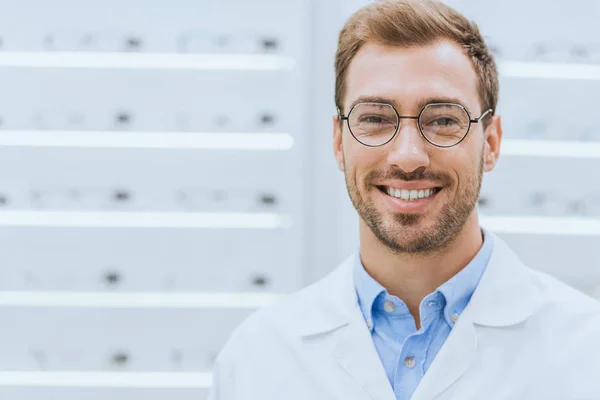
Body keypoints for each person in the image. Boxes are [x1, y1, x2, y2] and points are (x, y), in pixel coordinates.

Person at [208, 1, 600, 399]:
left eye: (444, 120)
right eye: (376, 118)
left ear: (492, 142)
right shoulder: (257, 360)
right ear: (338, 142)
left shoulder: (586, 352)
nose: (408, 156)